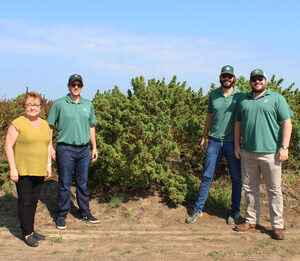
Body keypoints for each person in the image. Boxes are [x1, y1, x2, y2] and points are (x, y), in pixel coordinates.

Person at [234, 69, 293, 240]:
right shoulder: (243, 100)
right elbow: (237, 123)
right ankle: (251, 220)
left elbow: (287, 123)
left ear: (265, 80)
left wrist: (284, 147)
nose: (257, 82)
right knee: (250, 188)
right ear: (250, 82)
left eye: (260, 79)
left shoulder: (276, 98)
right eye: (254, 79)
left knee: (274, 190)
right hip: (248, 153)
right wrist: (237, 146)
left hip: (271, 154)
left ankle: (277, 226)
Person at [186, 65, 243, 225]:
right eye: (224, 76)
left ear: (234, 78)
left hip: (232, 143)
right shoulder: (213, 95)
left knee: (236, 178)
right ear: (220, 78)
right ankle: (198, 209)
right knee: (207, 176)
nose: (226, 79)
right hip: (214, 142)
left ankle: (235, 211)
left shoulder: (241, 96)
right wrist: (204, 136)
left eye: (229, 76)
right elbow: (209, 117)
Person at [47, 74, 99, 230]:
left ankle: (85, 213)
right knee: (64, 184)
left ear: (82, 87)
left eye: (79, 85)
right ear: (68, 86)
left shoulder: (88, 104)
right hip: (65, 149)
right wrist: (50, 146)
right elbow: (50, 127)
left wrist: (94, 146)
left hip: (84, 149)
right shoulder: (59, 104)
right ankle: (61, 216)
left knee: (82, 184)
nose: (76, 87)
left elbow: (92, 126)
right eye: (73, 84)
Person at [5, 92, 52, 247]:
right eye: (29, 105)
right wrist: (13, 168)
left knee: (33, 201)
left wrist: (48, 166)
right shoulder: (17, 123)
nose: (33, 108)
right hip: (23, 170)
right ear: (24, 106)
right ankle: (26, 234)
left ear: (40, 106)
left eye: (36, 105)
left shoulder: (45, 124)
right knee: (25, 202)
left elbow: (47, 145)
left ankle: (31, 230)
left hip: (39, 169)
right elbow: (8, 146)